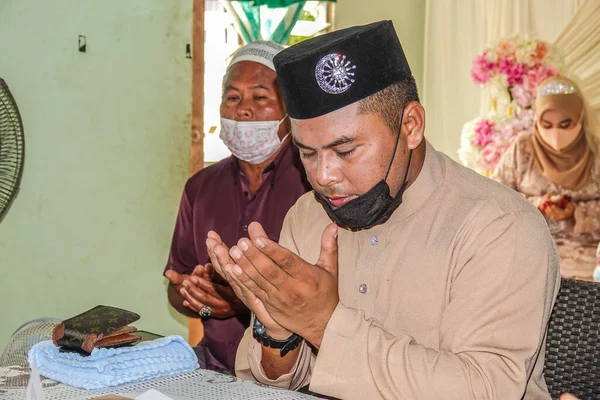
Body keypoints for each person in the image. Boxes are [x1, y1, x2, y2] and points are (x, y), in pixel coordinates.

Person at [205, 21, 560, 399]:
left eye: (346, 151)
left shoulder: (499, 226)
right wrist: (277, 329)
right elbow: (268, 383)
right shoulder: (310, 215)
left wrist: (323, 323)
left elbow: (484, 389)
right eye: (307, 153)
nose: (323, 177)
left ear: (410, 126)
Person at [163, 41, 311, 374]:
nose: (243, 109)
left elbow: (323, 300)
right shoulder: (199, 188)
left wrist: (241, 301)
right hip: (213, 368)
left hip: (292, 377)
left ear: (290, 109)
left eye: (260, 97)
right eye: (232, 97)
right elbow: (176, 286)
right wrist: (199, 297)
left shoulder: (313, 186)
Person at [493, 76, 600, 281]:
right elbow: (494, 196)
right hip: (526, 248)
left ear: (580, 118)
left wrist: (577, 212)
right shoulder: (522, 149)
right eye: (547, 124)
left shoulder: (596, 152)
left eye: (565, 124)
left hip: (587, 258)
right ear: (537, 121)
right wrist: (536, 204)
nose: (555, 133)